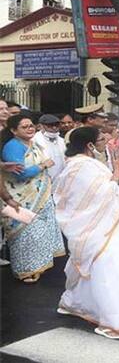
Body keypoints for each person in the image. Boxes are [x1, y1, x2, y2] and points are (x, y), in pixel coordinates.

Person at [54, 127, 119, 339]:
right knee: (107, 269)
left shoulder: (85, 164)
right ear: (89, 145)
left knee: (92, 268)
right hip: (95, 227)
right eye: (101, 139)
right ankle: (113, 321)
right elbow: (101, 195)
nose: (105, 142)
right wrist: (117, 170)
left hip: (102, 224)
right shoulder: (80, 166)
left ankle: (73, 304)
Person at [0, 115, 64, 283]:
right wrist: (43, 165)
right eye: (24, 127)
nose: (30, 129)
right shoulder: (13, 147)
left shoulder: (33, 144)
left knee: (40, 233)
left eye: (31, 125)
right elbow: (21, 174)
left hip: (41, 195)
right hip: (21, 197)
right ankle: (26, 270)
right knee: (26, 235)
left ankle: (40, 265)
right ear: (14, 131)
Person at [33, 114, 66, 181]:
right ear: (40, 126)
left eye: (56, 125)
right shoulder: (34, 141)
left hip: (60, 179)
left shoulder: (62, 141)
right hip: (42, 179)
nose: (54, 128)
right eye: (50, 125)